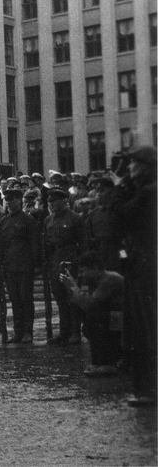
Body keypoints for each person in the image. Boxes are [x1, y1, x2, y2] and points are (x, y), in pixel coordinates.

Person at [111, 146, 157, 406]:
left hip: (147, 268)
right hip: (138, 265)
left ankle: (149, 389)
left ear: (145, 166)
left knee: (146, 330)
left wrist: (119, 187)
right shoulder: (144, 191)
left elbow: (121, 215)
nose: (128, 168)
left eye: (133, 164)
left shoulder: (149, 192)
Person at [60, 252, 123, 377]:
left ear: (95, 268)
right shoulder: (90, 281)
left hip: (119, 319)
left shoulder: (110, 279)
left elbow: (89, 303)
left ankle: (109, 362)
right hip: (110, 317)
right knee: (90, 321)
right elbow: (81, 303)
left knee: (96, 319)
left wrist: (73, 286)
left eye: (84, 271)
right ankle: (99, 362)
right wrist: (73, 288)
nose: (82, 274)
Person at [0, 188, 40, 343]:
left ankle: (28, 331)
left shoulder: (28, 220)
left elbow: (34, 243)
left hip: (25, 265)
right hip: (9, 266)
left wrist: (35, 264)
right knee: (14, 299)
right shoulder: (3, 222)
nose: (10, 203)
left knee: (26, 299)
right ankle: (18, 331)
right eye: (8, 201)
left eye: (13, 200)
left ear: (20, 201)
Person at [43, 188, 86, 345]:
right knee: (60, 298)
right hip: (55, 260)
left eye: (55, 201)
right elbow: (46, 244)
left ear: (64, 201)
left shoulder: (75, 218)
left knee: (72, 298)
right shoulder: (48, 220)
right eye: (50, 202)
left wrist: (80, 264)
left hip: (71, 260)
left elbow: (83, 243)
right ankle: (64, 332)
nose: (52, 204)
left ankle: (75, 332)